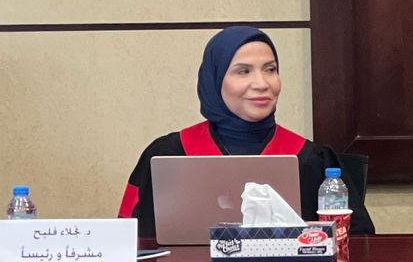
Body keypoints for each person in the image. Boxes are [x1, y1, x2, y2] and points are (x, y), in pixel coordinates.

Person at [119, 25, 375, 238]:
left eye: (270, 69)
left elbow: (357, 245)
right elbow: (129, 242)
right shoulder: (168, 155)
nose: (262, 83)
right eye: (243, 71)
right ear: (214, 79)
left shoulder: (312, 160)